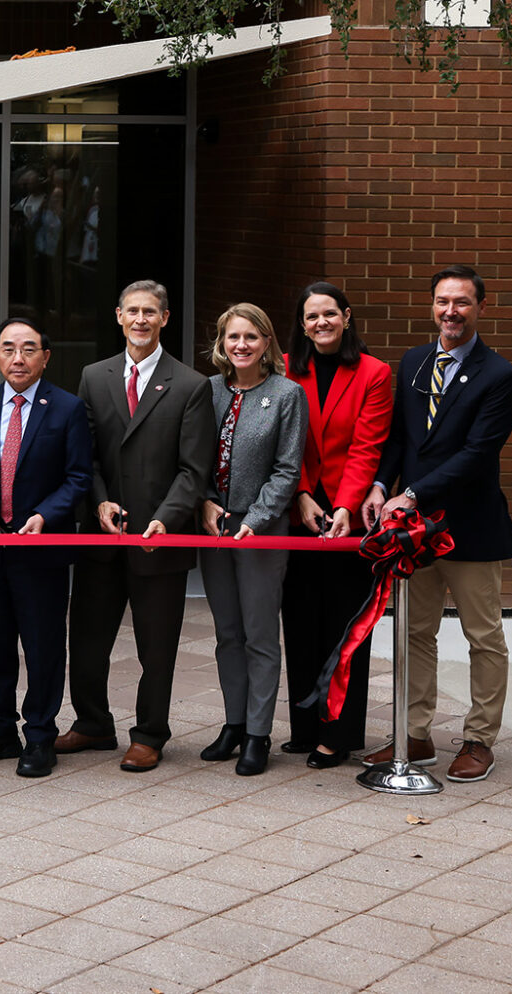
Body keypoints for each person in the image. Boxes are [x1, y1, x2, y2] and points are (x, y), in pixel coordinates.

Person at [363, 264, 512, 783]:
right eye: (442, 302)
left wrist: (411, 494)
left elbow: (477, 454)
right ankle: (415, 734)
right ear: (432, 305)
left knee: (484, 636)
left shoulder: (500, 375)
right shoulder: (412, 362)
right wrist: (381, 487)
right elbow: (399, 440)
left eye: (462, 302)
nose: (450, 311)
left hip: (470, 528)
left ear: (481, 307)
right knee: (414, 632)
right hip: (413, 533)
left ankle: (479, 739)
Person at [63, 280, 216, 772]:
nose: (141, 320)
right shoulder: (94, 375)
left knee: (157, 647)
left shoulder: (191, 385)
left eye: (150, 312)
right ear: (118, 315)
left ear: (165, 318)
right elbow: (84, 455)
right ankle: (92, 724)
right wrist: (101, 502)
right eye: (132, 311)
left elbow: (195, 470)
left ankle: (150, 733)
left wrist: (163, 519)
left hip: (158, 541)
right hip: (102, 537)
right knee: (87, 640)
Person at [0, 317, 93, 777]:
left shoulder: (68, 408)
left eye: (29, 349)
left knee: (43, 645)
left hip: (42, 547)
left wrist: (46, 515)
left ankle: (40, 735)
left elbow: (79, 478)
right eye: (9, 349)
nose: (18, 358)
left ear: (46, 356)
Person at [280, 282, 393, 768]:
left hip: (350, 517)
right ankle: (305, 728)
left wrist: (344, 506)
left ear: (346, 317)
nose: (320, 323)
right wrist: (302, 495)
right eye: (311, 317)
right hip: (297, 509)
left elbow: (368, 445)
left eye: (329, 314)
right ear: (301, 324)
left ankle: (339, 734)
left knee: (344, 628)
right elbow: (286, 441)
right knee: (300, 621)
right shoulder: (284, 367)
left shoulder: (374, 372)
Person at [194, 303, 306, 777]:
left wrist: (257, 518)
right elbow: (193, 455)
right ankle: (233, 724)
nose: (241, 345)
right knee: (227, 633)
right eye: (233, 337)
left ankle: (259, 734)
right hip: (213, 524)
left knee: (260, 633)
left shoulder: (286, 394)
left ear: (267, 344)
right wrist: (203, 501)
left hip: (261, 526)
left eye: (251, 337)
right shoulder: (209, 390)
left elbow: (287, 468)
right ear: (221, 343)